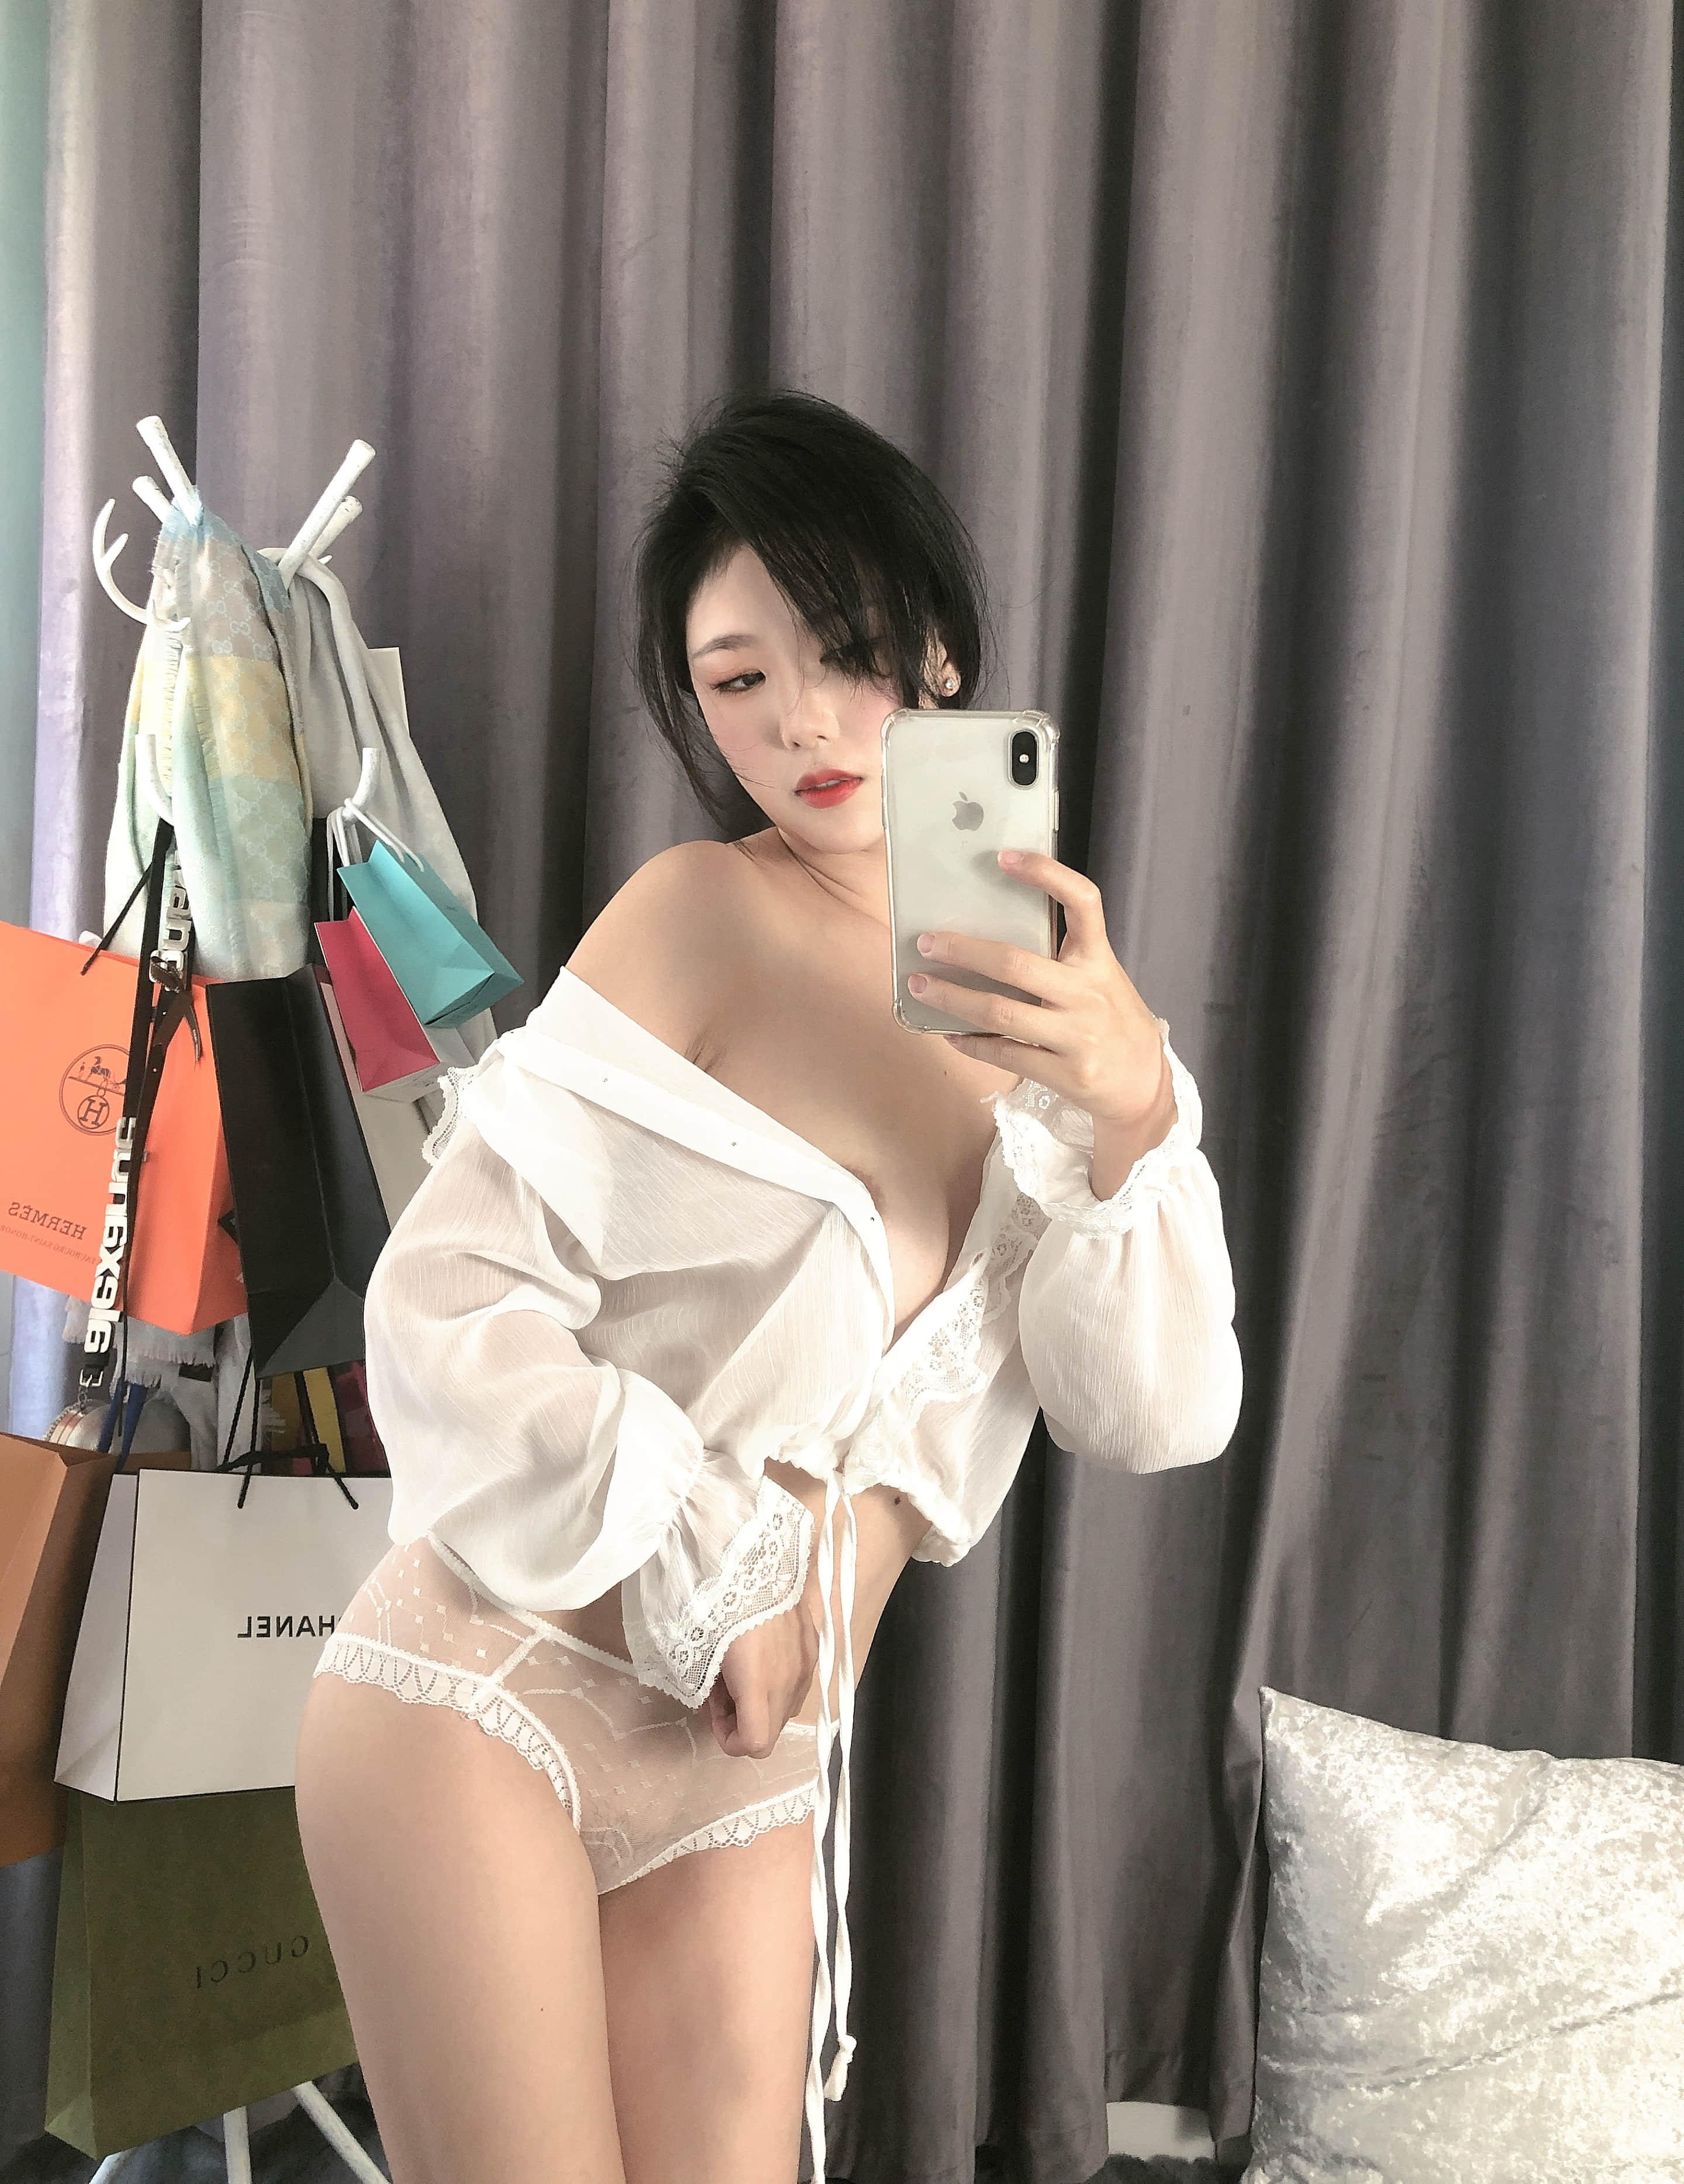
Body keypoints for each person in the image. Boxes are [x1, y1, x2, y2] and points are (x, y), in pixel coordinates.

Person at [294, 388, 1243, 2184]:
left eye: (850, 654)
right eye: (737, 680)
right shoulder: (696, 916)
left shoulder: (1065, 1021)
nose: (799, 721)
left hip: (747, 1773)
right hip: (486, 1696)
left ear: (942, 654)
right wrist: (713, 1563)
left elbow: (1157, 1416)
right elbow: (446, 1294)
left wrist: (1129, 1110)